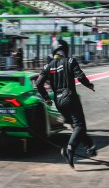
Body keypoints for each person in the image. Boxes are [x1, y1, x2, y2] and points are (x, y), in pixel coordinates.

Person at [36, 39, 97, 169]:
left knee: (77, 126)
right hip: (70, 97)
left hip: (59, 103)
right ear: (66, 49)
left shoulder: (48, 66)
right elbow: (80, 77)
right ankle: (69, 150)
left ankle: (89, 147)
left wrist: (46, 98)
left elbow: (38, 84)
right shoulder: (70, 61)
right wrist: (89, 85)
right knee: (80, 126)